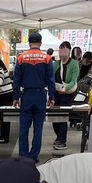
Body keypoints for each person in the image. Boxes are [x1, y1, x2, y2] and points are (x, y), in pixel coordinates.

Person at [13, 32, 56, 163]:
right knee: (38, 129)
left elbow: (16, 80)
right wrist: (52, 97)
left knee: (24, 128)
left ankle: (23, 156)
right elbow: (51, 80)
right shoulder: (47, 58)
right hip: (40, 96)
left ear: (29, 43)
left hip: (26, 96)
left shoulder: (21, 58)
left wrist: (16, 97)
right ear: (41, 43)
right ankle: (33, 156)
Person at [51, 41, 79, 151]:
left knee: (62, 117)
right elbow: (51, 77)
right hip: (56, 92)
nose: (62, 53)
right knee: (54, 116)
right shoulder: (56, 64)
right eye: (60, 50)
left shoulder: (74, 64)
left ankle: (62, 140)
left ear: (69, 51)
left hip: (67, 94)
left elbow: (73, 80)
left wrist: (65, 89)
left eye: (64, 50)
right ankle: (58, 137)